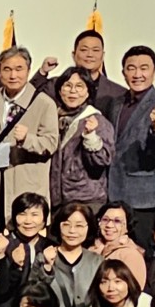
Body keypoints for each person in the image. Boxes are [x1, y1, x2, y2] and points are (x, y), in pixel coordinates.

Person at [0, 47, 59, 232]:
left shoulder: (44, 103)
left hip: (25, 182)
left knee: (23, 233)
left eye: (19, 69)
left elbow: (51, 143)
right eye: (7, 69)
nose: (13, 75)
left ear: (28, 71)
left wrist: (27, 140)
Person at [107, 46, 155, 232]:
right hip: (113, 192)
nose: (137, 74)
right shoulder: (117, 103)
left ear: (154, 72)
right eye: (131, 68)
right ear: (123, 72)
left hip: (143, 197)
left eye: (144, 68)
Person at [49, 66, 115, 208]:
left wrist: (90, 136)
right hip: (57, 201)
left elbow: (103, 160)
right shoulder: (53, 118)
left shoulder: (97, 120)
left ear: (88, 92)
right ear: (60, 91)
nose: (73, 91)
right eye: (68, 86)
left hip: (86, 200)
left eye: (79, 86)